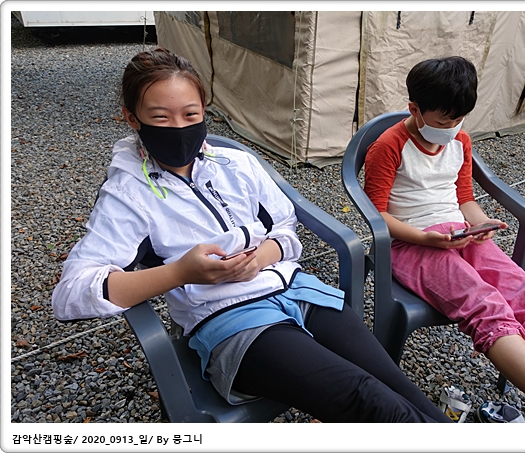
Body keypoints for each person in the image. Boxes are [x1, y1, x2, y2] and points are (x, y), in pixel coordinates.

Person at [51, 47, 452, 423]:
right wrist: (180, 273)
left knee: (398, 386)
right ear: (132, 118)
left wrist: (263, 256)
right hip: (231, 321)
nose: (179, 129)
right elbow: (71, 294)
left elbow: (285, 226)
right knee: (367, 397)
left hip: (297, 291)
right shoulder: (128, 194)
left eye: (191, 115)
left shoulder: (236, 164)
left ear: (204, 110)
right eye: (160, 118)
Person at [363, 56, 525, 423]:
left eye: (458, 120)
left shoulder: (460, 140)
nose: (451, 129)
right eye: (442, 123)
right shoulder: (389, 145)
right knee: (486, 307)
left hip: (459, 235)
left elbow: (464, 199)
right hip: (411, 244)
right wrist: (427, 238)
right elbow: (378, 215)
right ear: (415, 110)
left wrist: (481, 223)